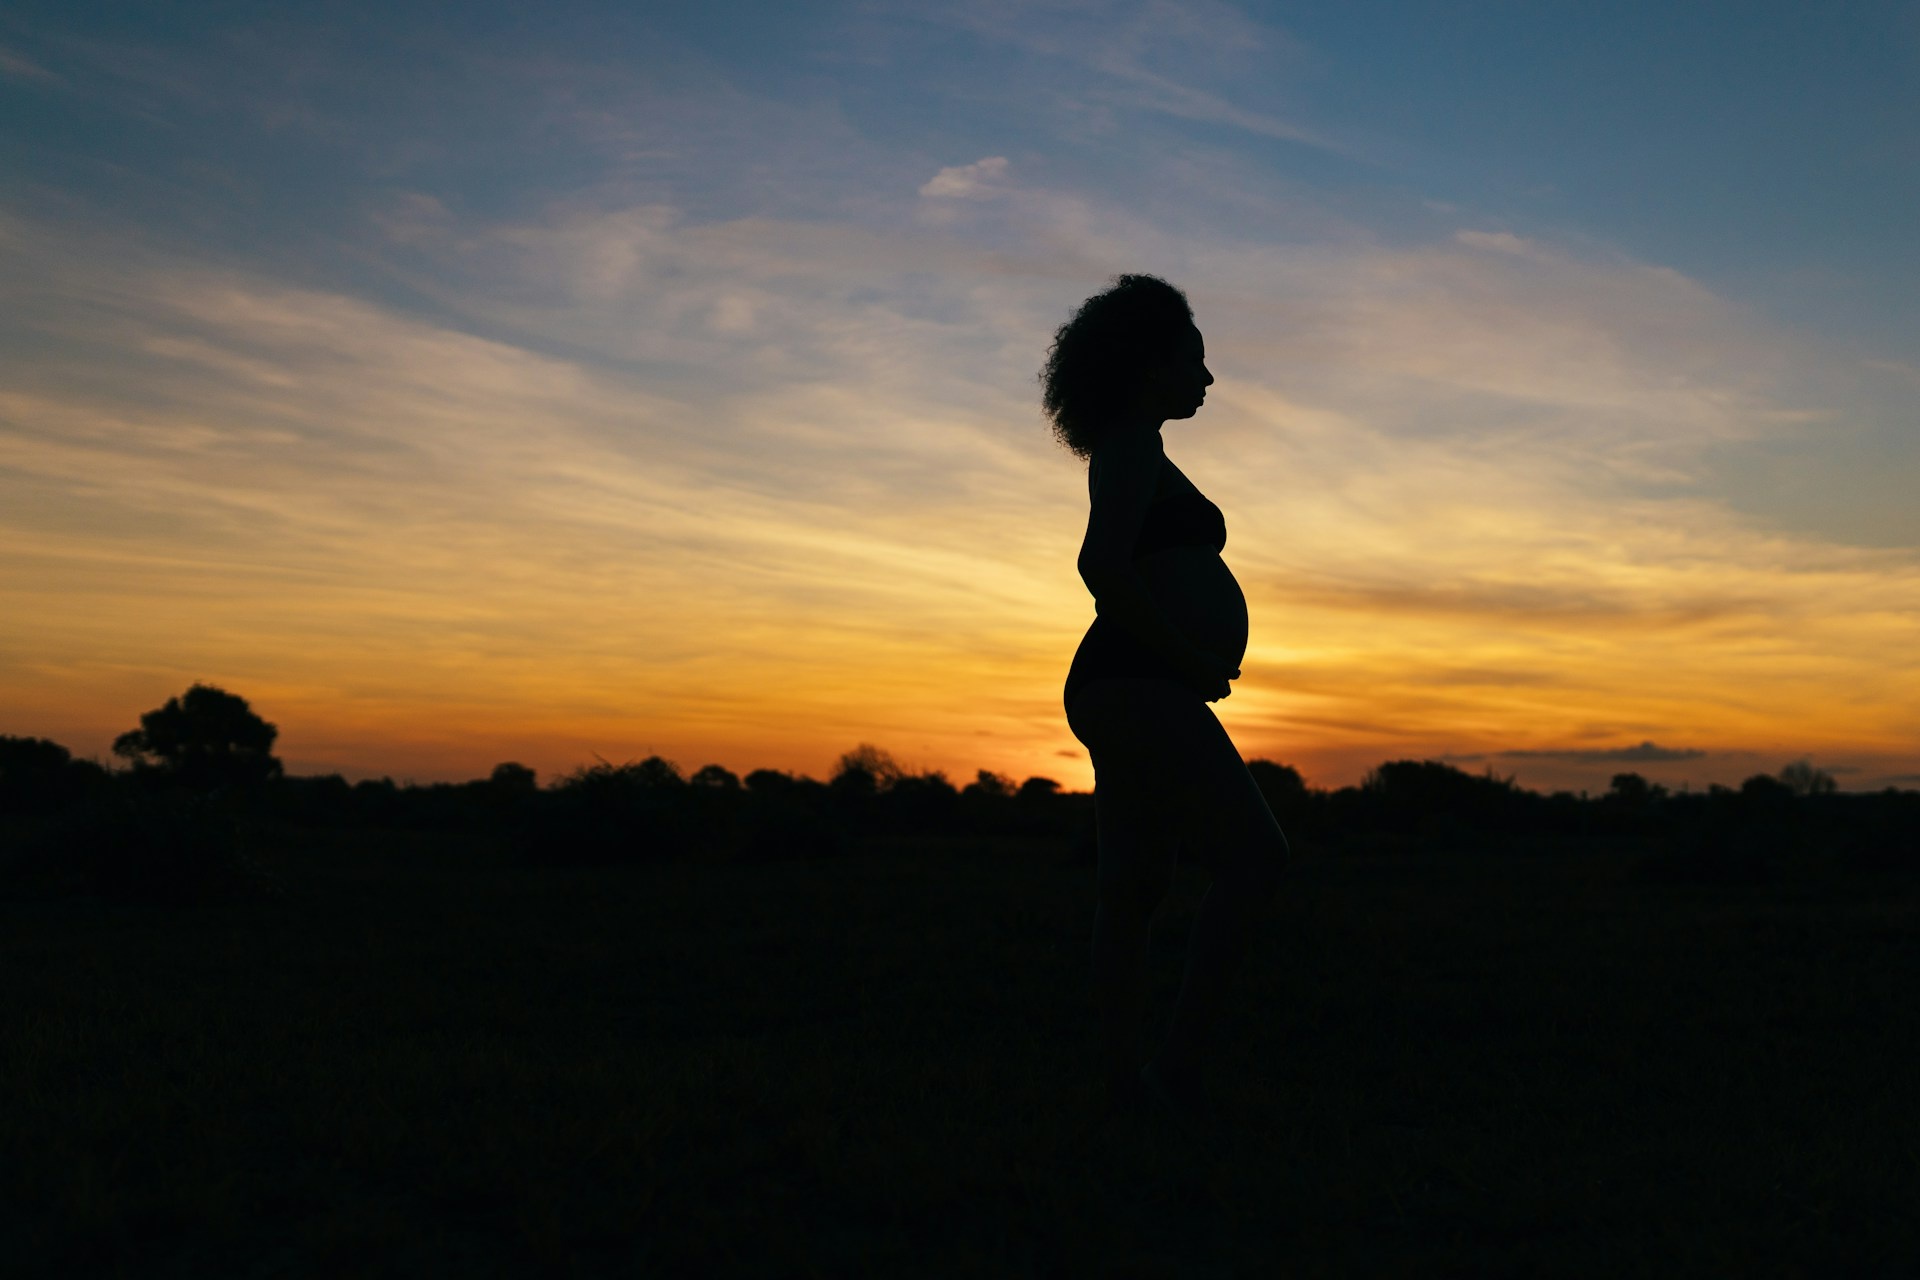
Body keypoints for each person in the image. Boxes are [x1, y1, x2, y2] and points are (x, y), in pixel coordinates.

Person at [1045, 274, 1290, 1141]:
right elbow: (1101, 566)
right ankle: (1175, 1071)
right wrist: (1186, 655)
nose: (1209, 379)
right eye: (1193, 359)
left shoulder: (1138, 446)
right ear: (1147, 362)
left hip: (1133, 681)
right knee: (1257, 859)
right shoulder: (1129, 446)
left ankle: (1123, 1090)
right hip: (1138, 678)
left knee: (1135, 888)